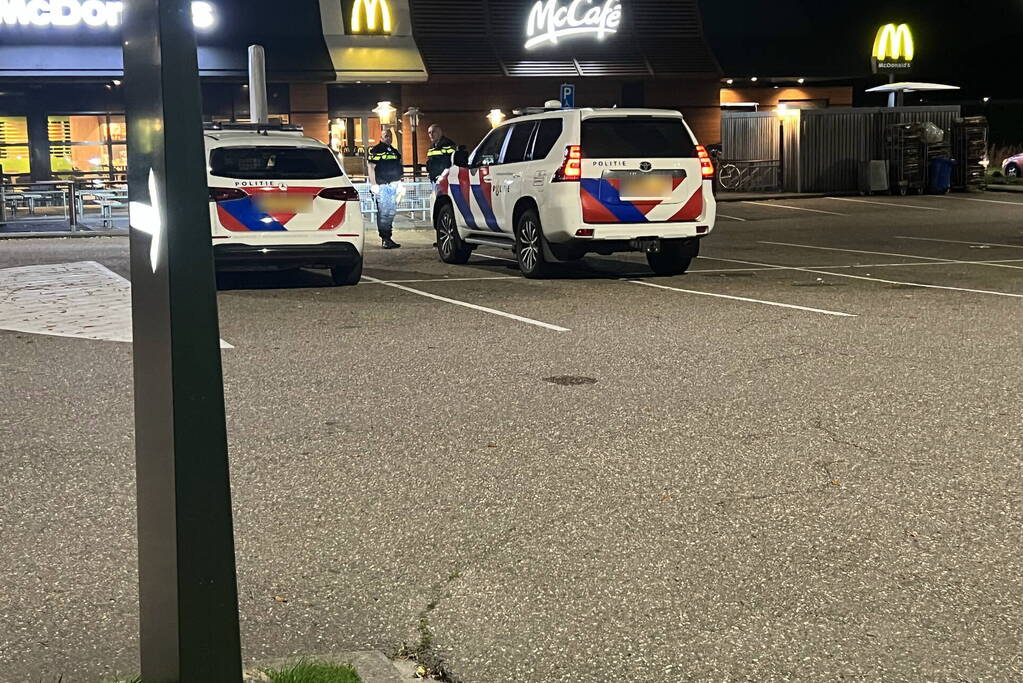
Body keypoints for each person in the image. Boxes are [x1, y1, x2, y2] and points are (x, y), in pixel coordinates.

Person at [367, 128, 403, 249]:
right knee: (384, 214)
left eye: (390, 136)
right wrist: (374, 185)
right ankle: (385, 239)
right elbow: (371, 167)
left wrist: (399, 183)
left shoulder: (393, 151)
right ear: (381, 137)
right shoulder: (376, 150)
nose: (388, 138)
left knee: (390, 213)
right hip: (382, 186)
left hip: (393, 185)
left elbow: (398, 167)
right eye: (386, 136)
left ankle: (388, 238)